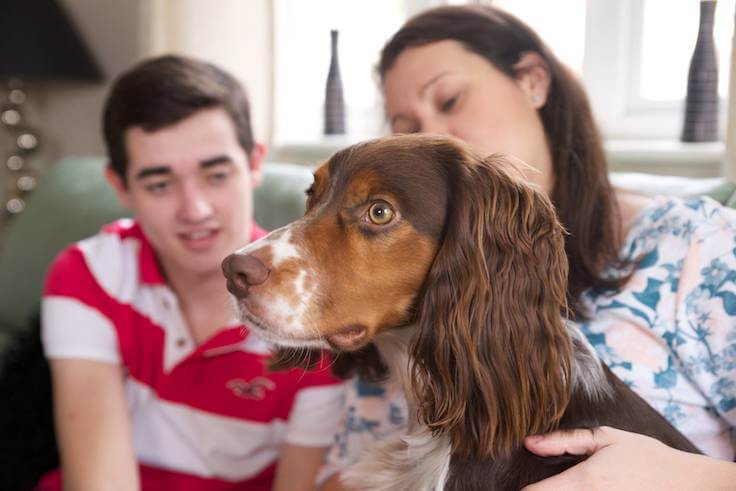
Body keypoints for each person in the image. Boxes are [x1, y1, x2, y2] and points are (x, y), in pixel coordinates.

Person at [320, 5, 736, 489]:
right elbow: (341, 471)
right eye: (406, 126)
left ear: (533, 81)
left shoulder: (699, 246)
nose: (431, 135)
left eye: (450, 99)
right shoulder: (391, 284)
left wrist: (680, 475)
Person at [37, 55, 344, 491]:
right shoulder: (88, 275)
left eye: (216, 175)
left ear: (254, 163)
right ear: (121, 187)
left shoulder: (315, 312)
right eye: (160, 184)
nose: (195, 210)